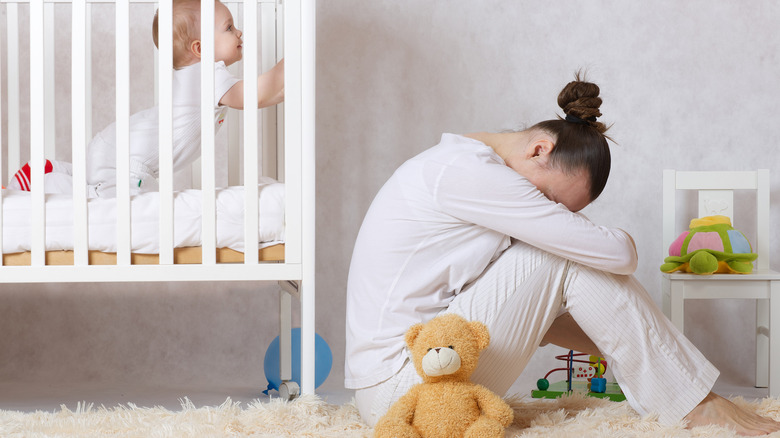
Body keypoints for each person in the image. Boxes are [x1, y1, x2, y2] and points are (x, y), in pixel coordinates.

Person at [344, 75, 780, 435]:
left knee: (562, 256)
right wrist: (663, 363)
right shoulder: (466, 172)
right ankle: (693, 403)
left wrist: (642, 349)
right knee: (562, 253)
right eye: (551, 201)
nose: (549, 216)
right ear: (539, 150)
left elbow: (547, 315)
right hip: (405, 392)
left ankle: (686, 396)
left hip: (430, 379)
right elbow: (619, 253)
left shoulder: (464, 167)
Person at [9, 0, 283, 197]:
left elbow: (270, 93)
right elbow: (256, 95)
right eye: (229, 27)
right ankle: (45, 183)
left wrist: (288, 81)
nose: (239, 32)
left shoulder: (201, 75)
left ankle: (58, 171)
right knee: (118, 203)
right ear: (199, 49)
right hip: (124, 159)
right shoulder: (208, 76)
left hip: (116, 150)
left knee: (131, 196)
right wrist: (291, 61)